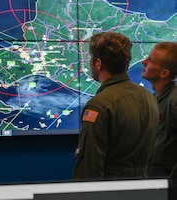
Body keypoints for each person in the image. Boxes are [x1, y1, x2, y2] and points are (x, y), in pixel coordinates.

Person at [71, 32, 159, 180]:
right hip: (144, 188)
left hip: (111, 190)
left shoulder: (99, 105)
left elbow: (89, 167)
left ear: (98, 63)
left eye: (91, 59)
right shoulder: (149, 97)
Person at [141, 42, 177, 199]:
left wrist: (173, 180)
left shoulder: (174, 100)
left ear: (164, 73)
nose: (144, 62)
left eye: (151, 60)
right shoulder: (158, 99)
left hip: (169, 187)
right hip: (156, 182)